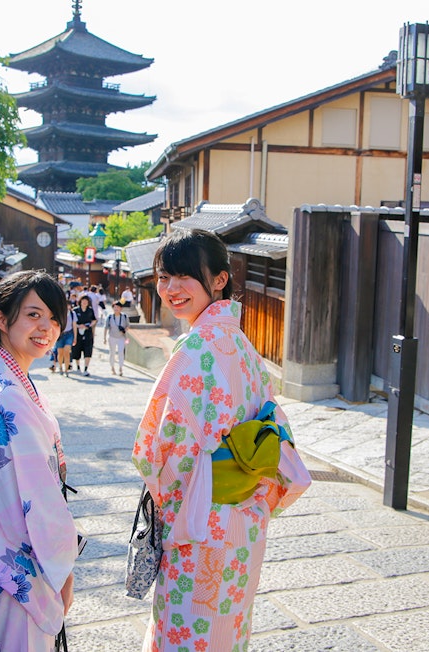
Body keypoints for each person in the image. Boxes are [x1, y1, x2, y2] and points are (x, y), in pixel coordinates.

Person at [133, 229, 311, 651]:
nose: (172, 289)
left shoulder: (195, 349)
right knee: (226, 631)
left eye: (185, 277)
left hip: (199, 523)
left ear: (219, 280)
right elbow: (273, 428)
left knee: (187, 633)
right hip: (244, 522)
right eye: (163, 277)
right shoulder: (241, 344)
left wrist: (172, 505)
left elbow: (155, 450)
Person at [0, 270, 78, 650]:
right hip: (12, 549)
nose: (47, 327)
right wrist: (63, 568)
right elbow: (37, 500)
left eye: (55, 318)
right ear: (1, 318)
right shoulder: (7, 394)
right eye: (33, 315)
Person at [71, 294, 96, 376]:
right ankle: (78, 367)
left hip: (87, 332)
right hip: (77, 333)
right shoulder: (75, 311)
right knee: (77, 350)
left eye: (86, 301)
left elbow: (94, 320)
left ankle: (86, 368)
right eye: (83, 301)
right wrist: (78, 326)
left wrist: (89, 325)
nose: (84, 303)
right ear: (80, 301)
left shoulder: (90, 310)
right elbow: (72, 322)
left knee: (88, 350)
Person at [103, 300, 128, 376]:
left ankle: (120, 368)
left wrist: (124, 330)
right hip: (112, 337)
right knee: (112, 353)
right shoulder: (110, 317)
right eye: (115, 307)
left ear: (121, 308)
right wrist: (104, 338)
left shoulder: (124, 316)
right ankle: (112, 367)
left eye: (118, 307)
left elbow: (128, 326)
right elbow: (106, 327)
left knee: (121, 353)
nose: (116, 309)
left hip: (121, 337)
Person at [52, 302, 76, 376]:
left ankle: (66, 369)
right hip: (60, 334)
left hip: (69, 334)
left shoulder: (72, 314)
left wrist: (75, 337)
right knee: (60, 353)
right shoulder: (58, 314)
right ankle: (60, 367)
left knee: (67, 351)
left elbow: (74, 326)